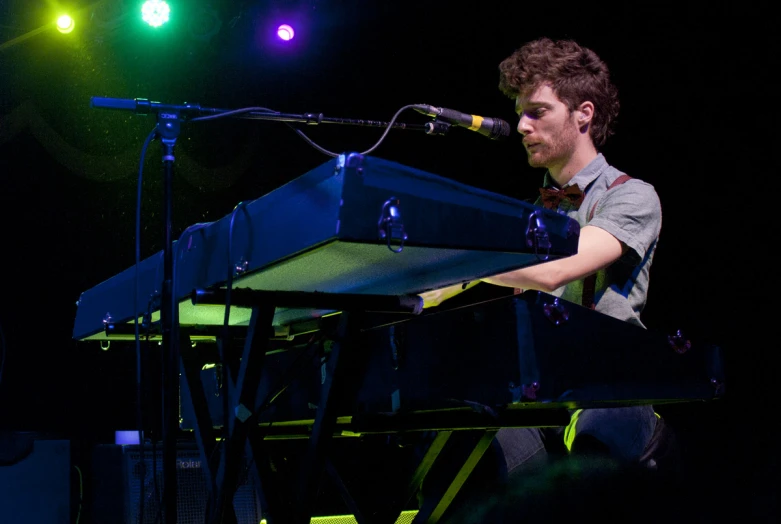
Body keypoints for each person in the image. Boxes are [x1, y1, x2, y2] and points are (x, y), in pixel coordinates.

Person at [416, 37, 675, 522]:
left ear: (583, 114)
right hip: (540, 398)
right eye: (520, 113)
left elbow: (558, 267)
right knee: (462, 454)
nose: (520, 126)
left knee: (598, 427)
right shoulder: (531, 214)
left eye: (536, 112)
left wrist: (469, 263)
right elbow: (444, 284)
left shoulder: (632, 196)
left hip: (610, 387)